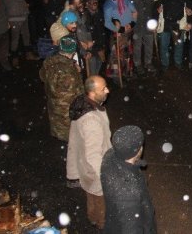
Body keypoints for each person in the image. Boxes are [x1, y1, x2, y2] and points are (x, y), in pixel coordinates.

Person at [66, 75, 112, 229]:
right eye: (103, 89)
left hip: (83, 166)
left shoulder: (83, 105)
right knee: (102, 202)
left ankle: (92, 218)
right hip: (95, 169)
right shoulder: (91, 120)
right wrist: (105, 174)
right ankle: (102, 226)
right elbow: (93, 155)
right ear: (92, 93)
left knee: (91, 196)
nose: (107, 90)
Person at [101, 125, 157, 234]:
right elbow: (131, 228)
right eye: (140, 145)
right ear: (136, 150)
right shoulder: (129, 194)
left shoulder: (110, 156)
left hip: (113, 220)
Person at [39, 35, 84, 141]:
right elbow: (77, 93)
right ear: (73, 52)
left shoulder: (49, 62)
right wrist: (77, 72)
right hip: (67, 110)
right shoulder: (69, 72)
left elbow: (42, 76)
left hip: (53, 104)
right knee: (70, 137)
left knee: (58, 127)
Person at [154, 0, 192, 71]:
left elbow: (190, 9)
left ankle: (178, 62)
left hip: (179, 24)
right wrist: (155, 17)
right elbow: (154, 8)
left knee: (179, 45)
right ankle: (165, 63)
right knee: (164, 45)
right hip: (165, 24)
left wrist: (189, 21)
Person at [0, 0, 38, 68]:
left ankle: (28, 54)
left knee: (26, 35)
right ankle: (14, 59)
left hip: (23, 15)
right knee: (15, 39)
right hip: (14, 18)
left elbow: (20, 0)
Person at [104, 0, 138, 80]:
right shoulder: (108, 5)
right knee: (117, 56)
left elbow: (134, 12)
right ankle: (116, 77)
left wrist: (132, 23)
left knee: (127, 54)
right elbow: (107, 23)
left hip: (128, 32)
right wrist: (121, 29)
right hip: (118, 34)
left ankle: (127, 73)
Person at [128, 0, 156, 75]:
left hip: (148, 24)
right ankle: (137, 64)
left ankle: (148, 63)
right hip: (137, 25)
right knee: (137, 46)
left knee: (149, 45)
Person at [83, 0, 106, 75]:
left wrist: (102, 47)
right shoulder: (84, 17)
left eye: (96, 1)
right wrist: (92, 50)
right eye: (92, 2)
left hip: (99, 46)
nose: (94, 3)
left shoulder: (99, 13)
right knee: (92, 71)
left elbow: (101, 31)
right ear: (87, 4)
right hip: (91, 49)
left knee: (97, 69)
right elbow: (86, 35)